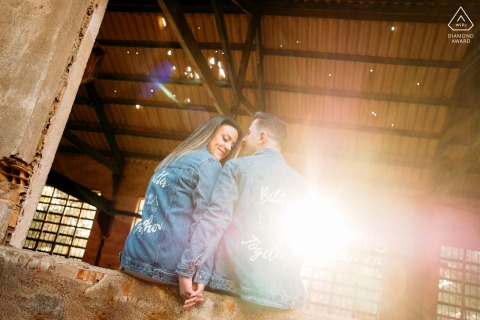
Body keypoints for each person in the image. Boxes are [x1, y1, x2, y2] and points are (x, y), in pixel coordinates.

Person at [177, 112, 309, 310]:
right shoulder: (302, 185)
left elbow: (215, 220)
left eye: (248, 133)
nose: (245, 139)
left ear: (262, 137)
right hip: (280, 296)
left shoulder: (236, 167)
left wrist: (188, 269)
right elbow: (302, 242)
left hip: (229, 285)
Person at [120, 115, 242, 297]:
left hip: (133, 256)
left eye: (232, 145)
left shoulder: (171, 159)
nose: (227, 147)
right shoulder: (209, 164)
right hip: (163, 266)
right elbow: (208, 222)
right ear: (210, 131)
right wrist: (193, 272)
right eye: (225, 139)